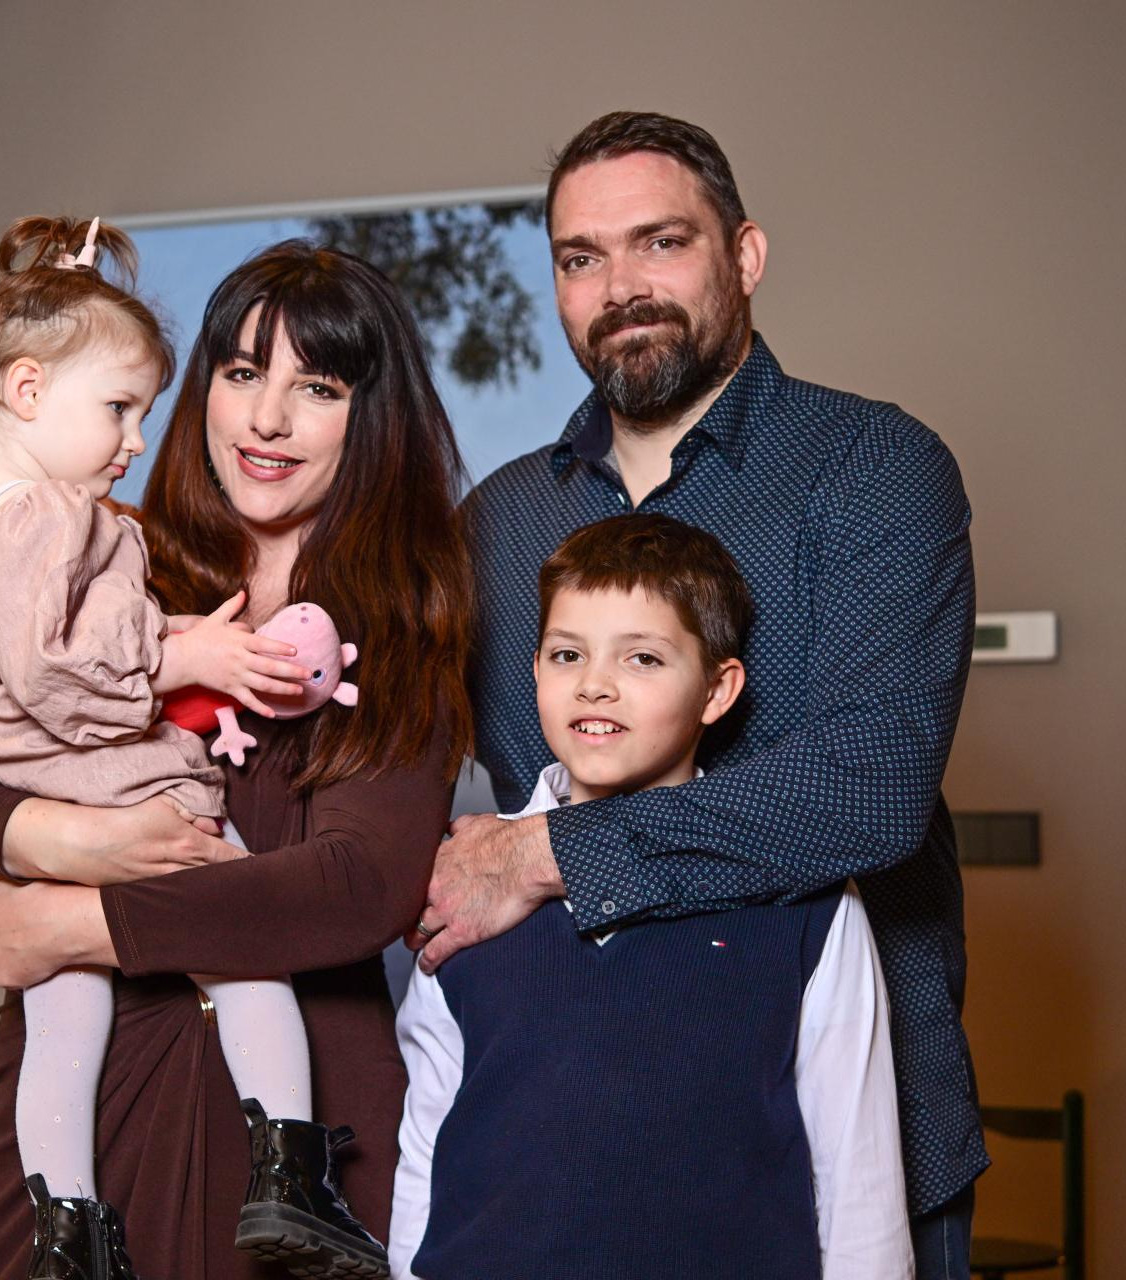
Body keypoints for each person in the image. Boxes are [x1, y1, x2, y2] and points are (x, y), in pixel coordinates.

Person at [412, 111, 986, 1279]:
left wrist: (542, 854)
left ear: (744, 254)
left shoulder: (872, 468)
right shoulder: (498, 524)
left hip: (840, 1139)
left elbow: (865, 788)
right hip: (550, 1160)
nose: (619, 287)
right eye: (580, 257)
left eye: (659, 242)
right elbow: (402, 775)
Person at [0, 237, 474, 1280]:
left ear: (370, 421)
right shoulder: (106, 553)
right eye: (242, 372)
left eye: (316, 388)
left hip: (289, 1142)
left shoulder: (405, 624)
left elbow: (357, 884)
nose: (266, 418)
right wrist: (60, 838)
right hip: (78, 1114)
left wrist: (80, 917)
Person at [390, 514, 913, 1280]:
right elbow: (427, 1137)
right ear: (534, 670)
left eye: (642, 658)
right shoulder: (466, 877)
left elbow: (857, 1176)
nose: (594, 683)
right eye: (567, 654)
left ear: (717, 690)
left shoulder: (809, 900)